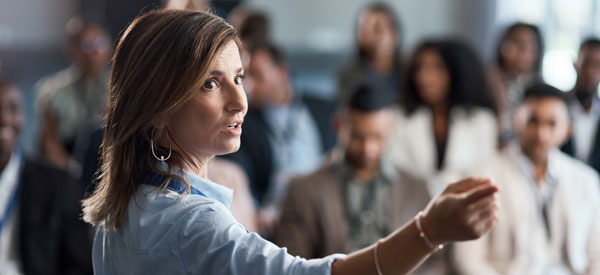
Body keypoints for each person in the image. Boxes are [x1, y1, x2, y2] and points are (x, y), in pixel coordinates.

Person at [82, 9, 498, 275]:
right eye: (210, 83)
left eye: (239, 78)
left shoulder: (126, 206)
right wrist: (430, 229)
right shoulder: (192, 223)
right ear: (156, 109)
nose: (239, 100)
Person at [274, 83, 446, 274]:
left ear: (391, 128)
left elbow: (436, 262)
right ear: (338, 126)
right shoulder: (303, 190)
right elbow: (290, 266)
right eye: (357, 137)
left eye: (378, 137)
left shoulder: (417, 188)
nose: (368, 149)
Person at [453, 83, 600, 275]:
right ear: (516, 121)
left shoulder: (586, 180)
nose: (541, 134)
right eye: (533, 121)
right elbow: (467, 259)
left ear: (567, 130)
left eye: (551, 123)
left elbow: (596, 254)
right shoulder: (482, 175)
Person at [222, 42, 337, 232]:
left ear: (282, 72)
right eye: (245, 77)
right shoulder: (246, 122)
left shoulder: (324, 109)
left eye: (257, 76)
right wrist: (256, 208)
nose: (249, 86)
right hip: (277, 211)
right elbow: (240, 170)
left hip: (321, 200)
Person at [0, 77, 92, 275]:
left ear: (24, 116)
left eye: (13, 109)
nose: (5, 119)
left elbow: (79, 265)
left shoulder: (59, 183)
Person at [390, 40, 497, 195]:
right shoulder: (400, 117)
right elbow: (397, 169)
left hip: (465, 209)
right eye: (419, 68)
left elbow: (483, 173)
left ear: (455, 72)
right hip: (412, 210)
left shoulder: (482, 121)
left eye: (437, 68)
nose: (424, 77)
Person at [36, 17, 111, 171]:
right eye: (87, 45)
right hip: (66, 164)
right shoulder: (52, 90)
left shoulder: (119, 87)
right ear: (72, 49)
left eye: (100, 43)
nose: (94, 51)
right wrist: (72, 171)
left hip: (109, 163)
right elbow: (49, 141)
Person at [489, 22, 544, 146]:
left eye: (525, 46)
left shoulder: (541, 89)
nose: (514, 51)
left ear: (537, 51)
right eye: (511, 43)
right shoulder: (489, 78)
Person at [337, 2, 403, 104]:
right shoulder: (348, 76)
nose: (372, 36)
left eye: (378, 28)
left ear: (395, 33)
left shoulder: (412, 70)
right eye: (365, 30)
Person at [561, 38, 600, 173]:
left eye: (597, 65)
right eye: (586, 63)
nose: (591, 72)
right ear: (576, 64)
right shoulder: (559, 105)